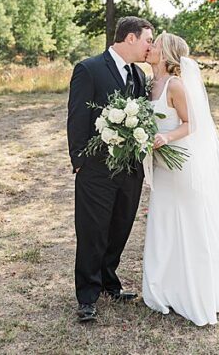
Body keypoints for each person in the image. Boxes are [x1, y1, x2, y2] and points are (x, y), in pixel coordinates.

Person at [141, 32, 219, 326]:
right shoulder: (148, 84)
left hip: (179, 162)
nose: (150, 47)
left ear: (166, 54)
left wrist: (165, 137)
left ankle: (194, 286)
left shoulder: (175, 85)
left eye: (155, 44)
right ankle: (163, 284)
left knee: (186, 219)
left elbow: (191, 123)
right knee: (164, 218)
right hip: (161, 163)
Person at [66, 16, 153, 323]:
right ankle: (87, 296)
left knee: (119, 227)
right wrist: (79, 160)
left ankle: (108, 282)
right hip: (96, 169)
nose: (150, 47)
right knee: (92, 231)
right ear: (130, 38)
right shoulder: (89, 68)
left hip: (130, 170)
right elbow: (77, 116)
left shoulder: (139, 75)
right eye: (147, 40)